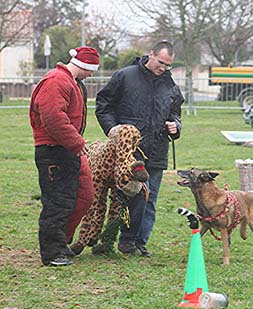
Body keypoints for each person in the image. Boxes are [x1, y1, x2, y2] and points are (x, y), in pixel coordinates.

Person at [95, 41, 184, 256]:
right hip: (128, 151)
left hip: (157, 150)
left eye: (168, 65)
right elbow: (103, 104)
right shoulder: (125, 76)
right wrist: (114, 131)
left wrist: (175, 126)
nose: (163, 68)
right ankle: (114, 241)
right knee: (125, 196)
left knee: (148, 199)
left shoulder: (170, 85)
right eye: (161, 62)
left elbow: (175, 113)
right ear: (151, 54)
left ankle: (137, 243)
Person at [29, 46, 100, 266]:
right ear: (84, 65)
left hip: (66, 149)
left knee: (82, 195)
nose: (92, 75)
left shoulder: (72, 83)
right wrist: (77, 143)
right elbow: (53, 118)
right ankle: (51, 253)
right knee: (58, 202)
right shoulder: (57, 81)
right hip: (54, 150)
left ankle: (61, 243)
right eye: (91, 70)